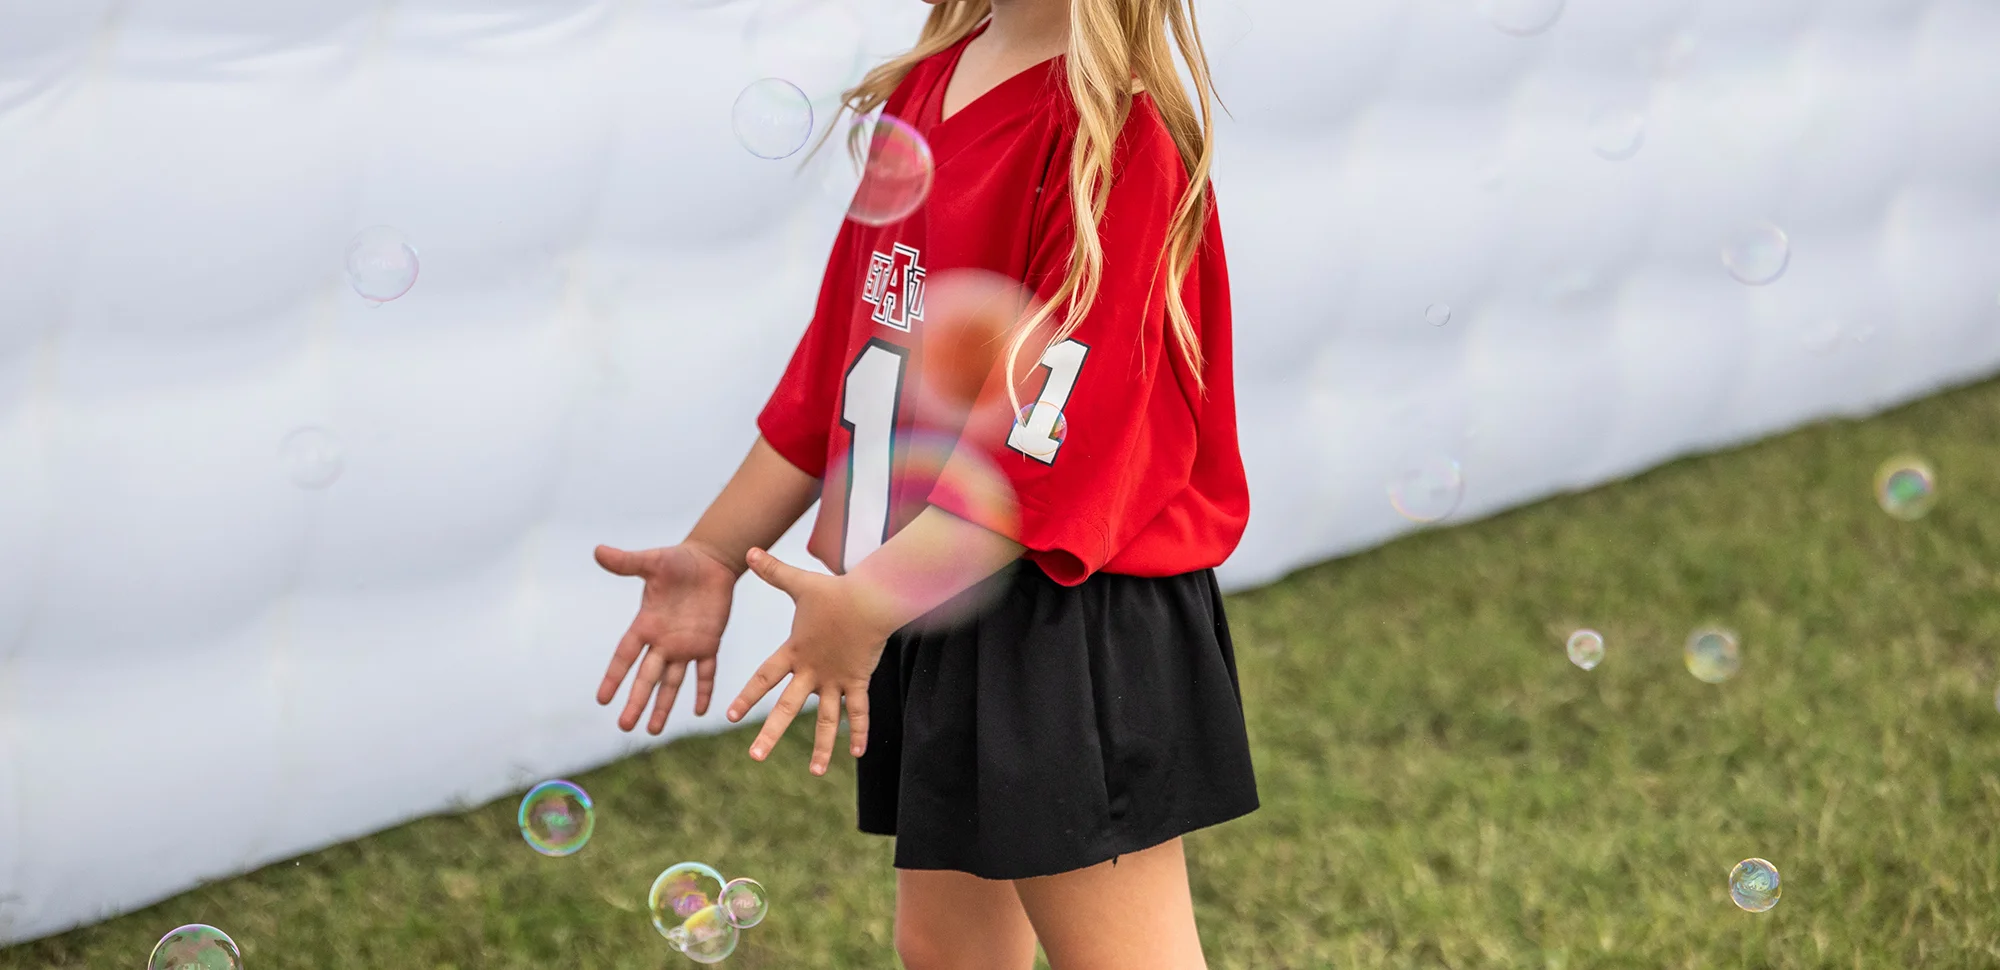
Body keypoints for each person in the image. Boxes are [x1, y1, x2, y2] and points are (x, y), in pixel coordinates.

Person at [593, 0, 1254, 965]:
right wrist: (711, 553)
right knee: (945, 949)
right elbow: (838, 369)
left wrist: (868, 601)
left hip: (1064, 619)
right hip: (928, 599)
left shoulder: (1118, 134)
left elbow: (1052, 447)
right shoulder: (927, 86)